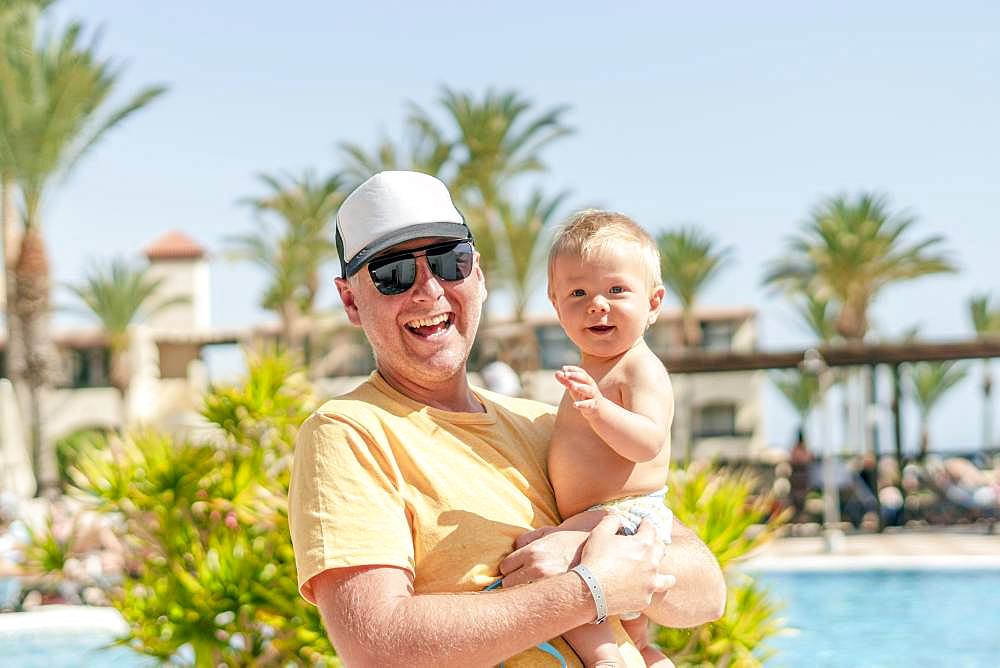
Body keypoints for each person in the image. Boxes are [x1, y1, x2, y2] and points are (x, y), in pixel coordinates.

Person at [288, 171, 726, 667]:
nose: (429, 290)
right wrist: (587, 591)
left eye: (448, 262)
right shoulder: (349, 433)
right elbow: (376, 645)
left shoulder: (556, 421)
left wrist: (584, 553)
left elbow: (706, 592)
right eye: (393, 274)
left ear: (478, 275)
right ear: (350, 299)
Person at [515, 211, 675, 667]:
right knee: (638, 640)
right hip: (598, 516)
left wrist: (600, 410)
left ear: (654, 302)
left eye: (617, 290)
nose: (597, 304)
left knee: (551, 568)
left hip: (624, 516)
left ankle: (606, 659)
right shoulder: (592, 374)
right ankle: (644, 657)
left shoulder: (640, 368)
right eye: (578, 293)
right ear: (555, 303)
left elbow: (647, 442)